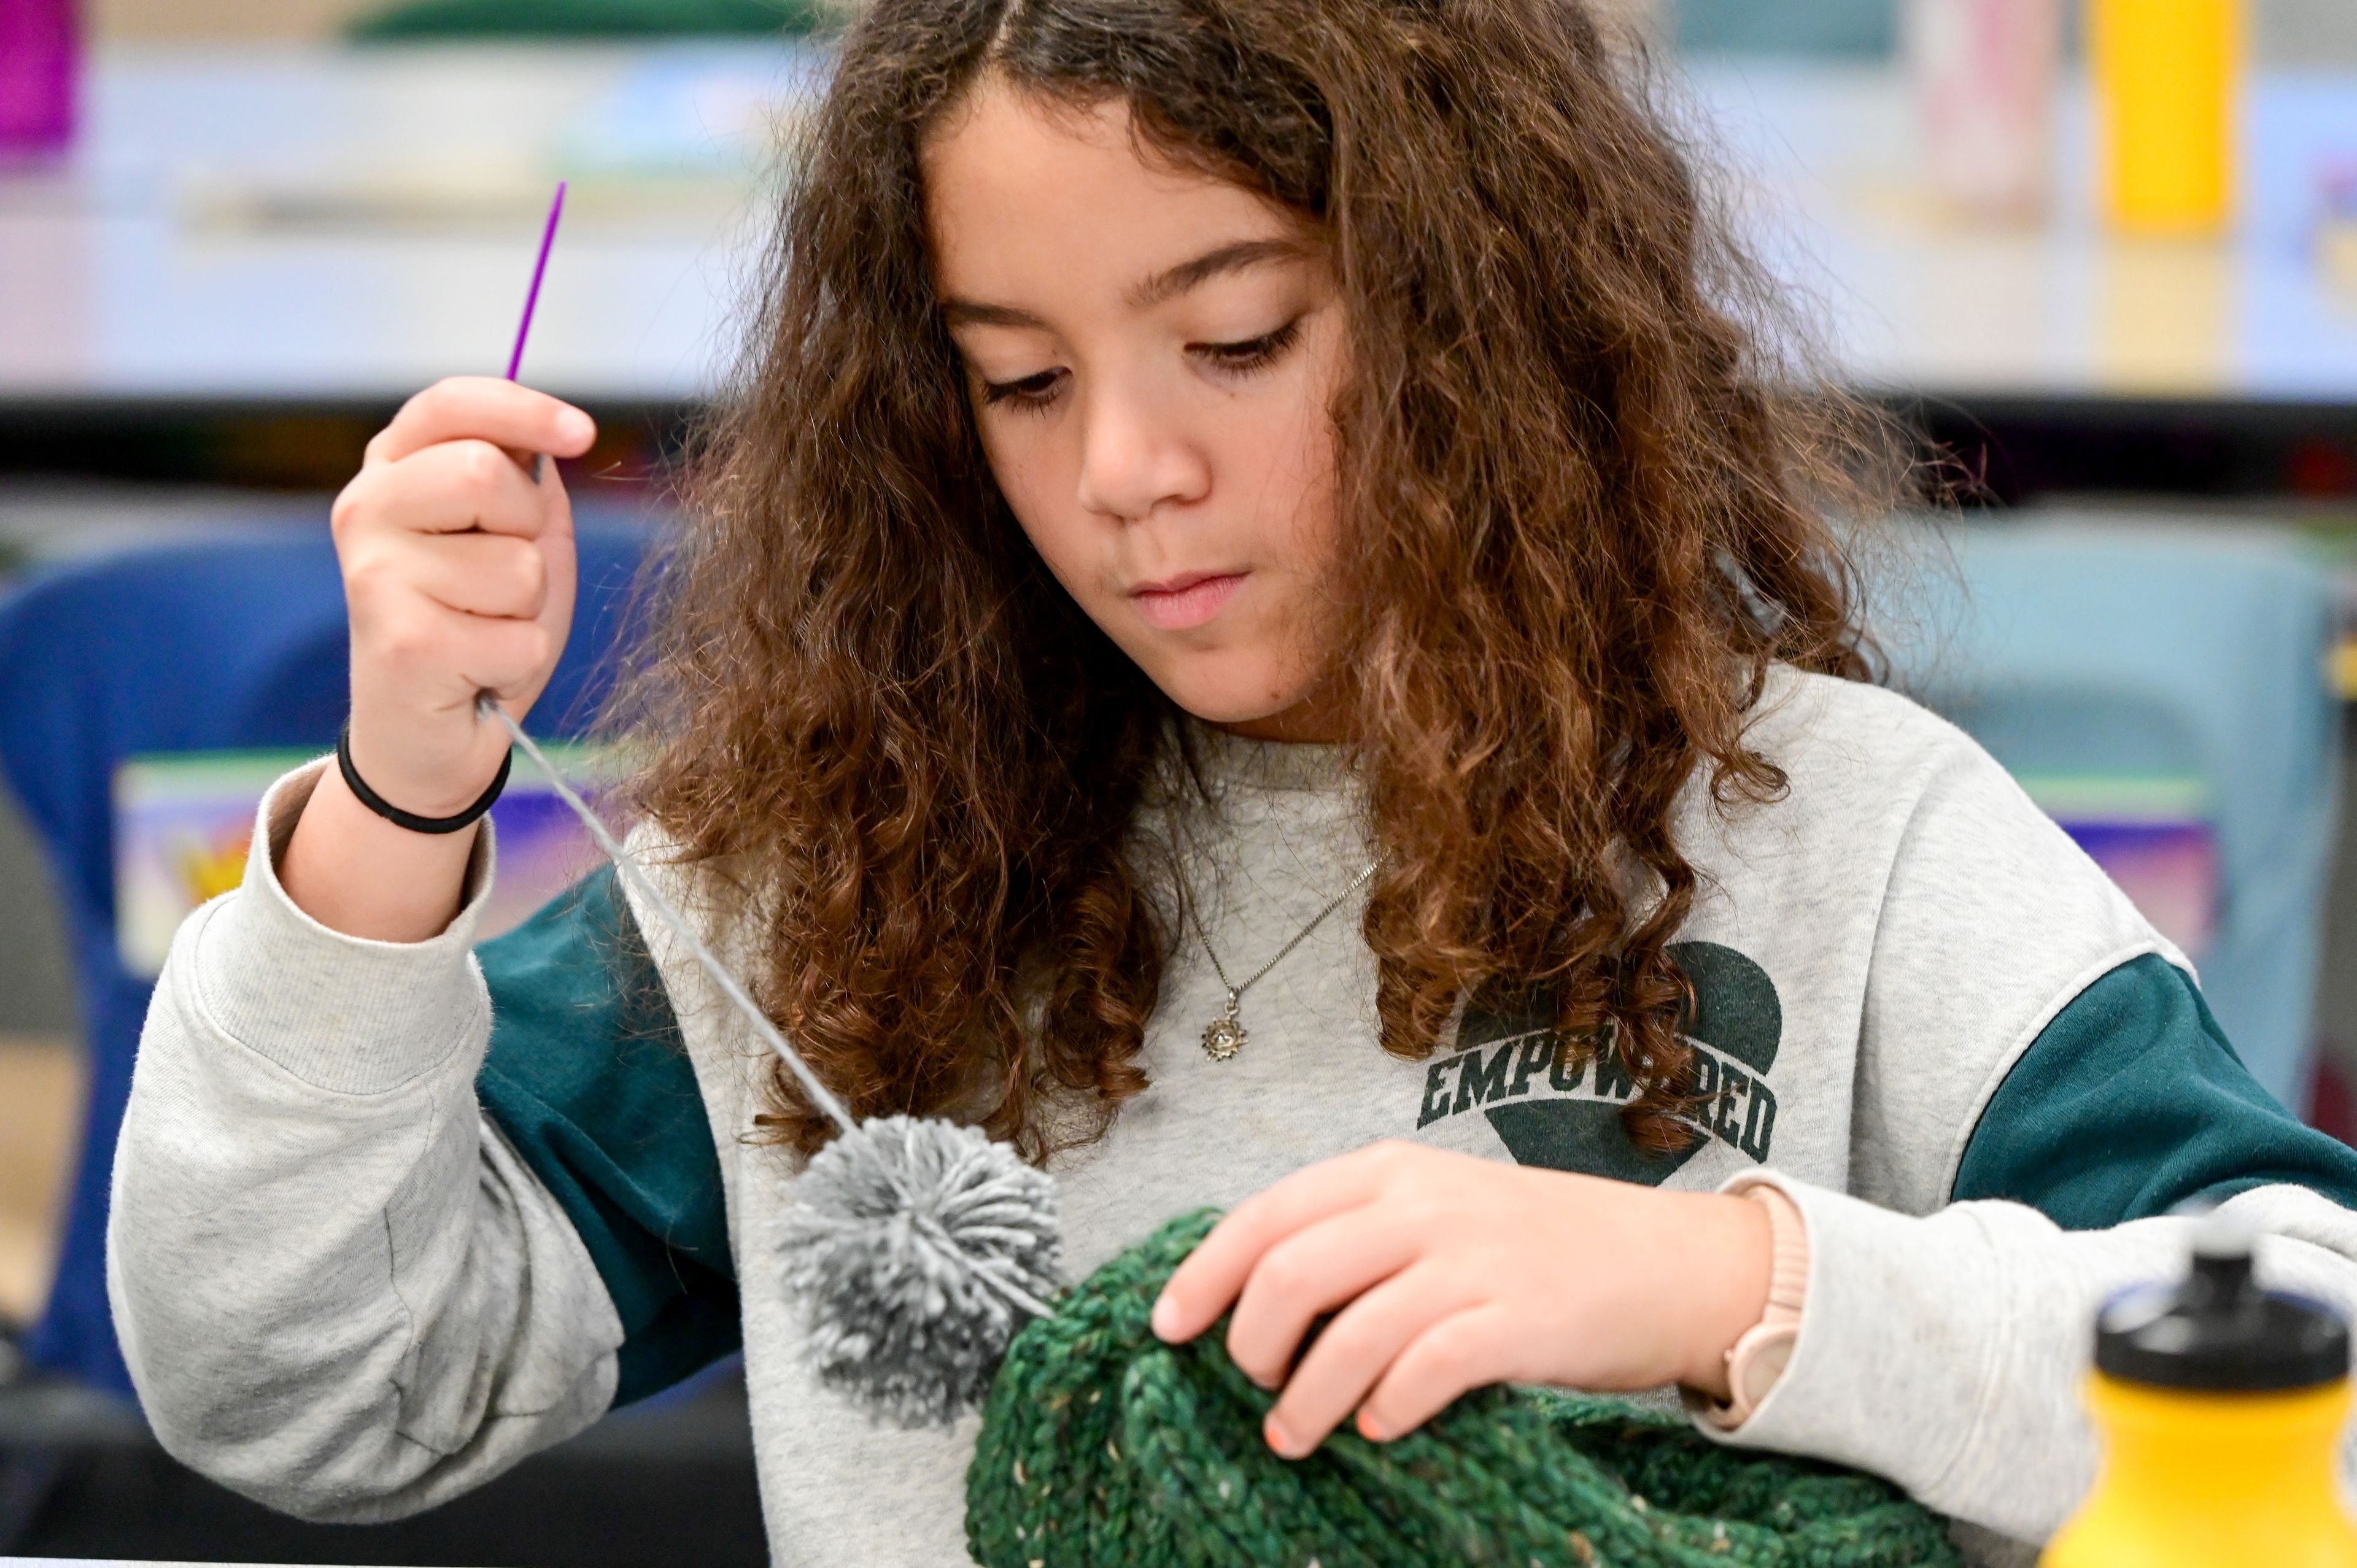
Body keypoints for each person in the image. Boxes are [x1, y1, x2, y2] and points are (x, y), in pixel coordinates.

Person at [108, 1, 2357, 1562]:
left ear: (1475, 308)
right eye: (1016, 380)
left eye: (1241, 340)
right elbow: (296, 1382)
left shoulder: (1840, 838)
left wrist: (1728, 1290)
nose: (1127, 475)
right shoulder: (861, 863)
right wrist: (392, 815)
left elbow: (2323, 1392)